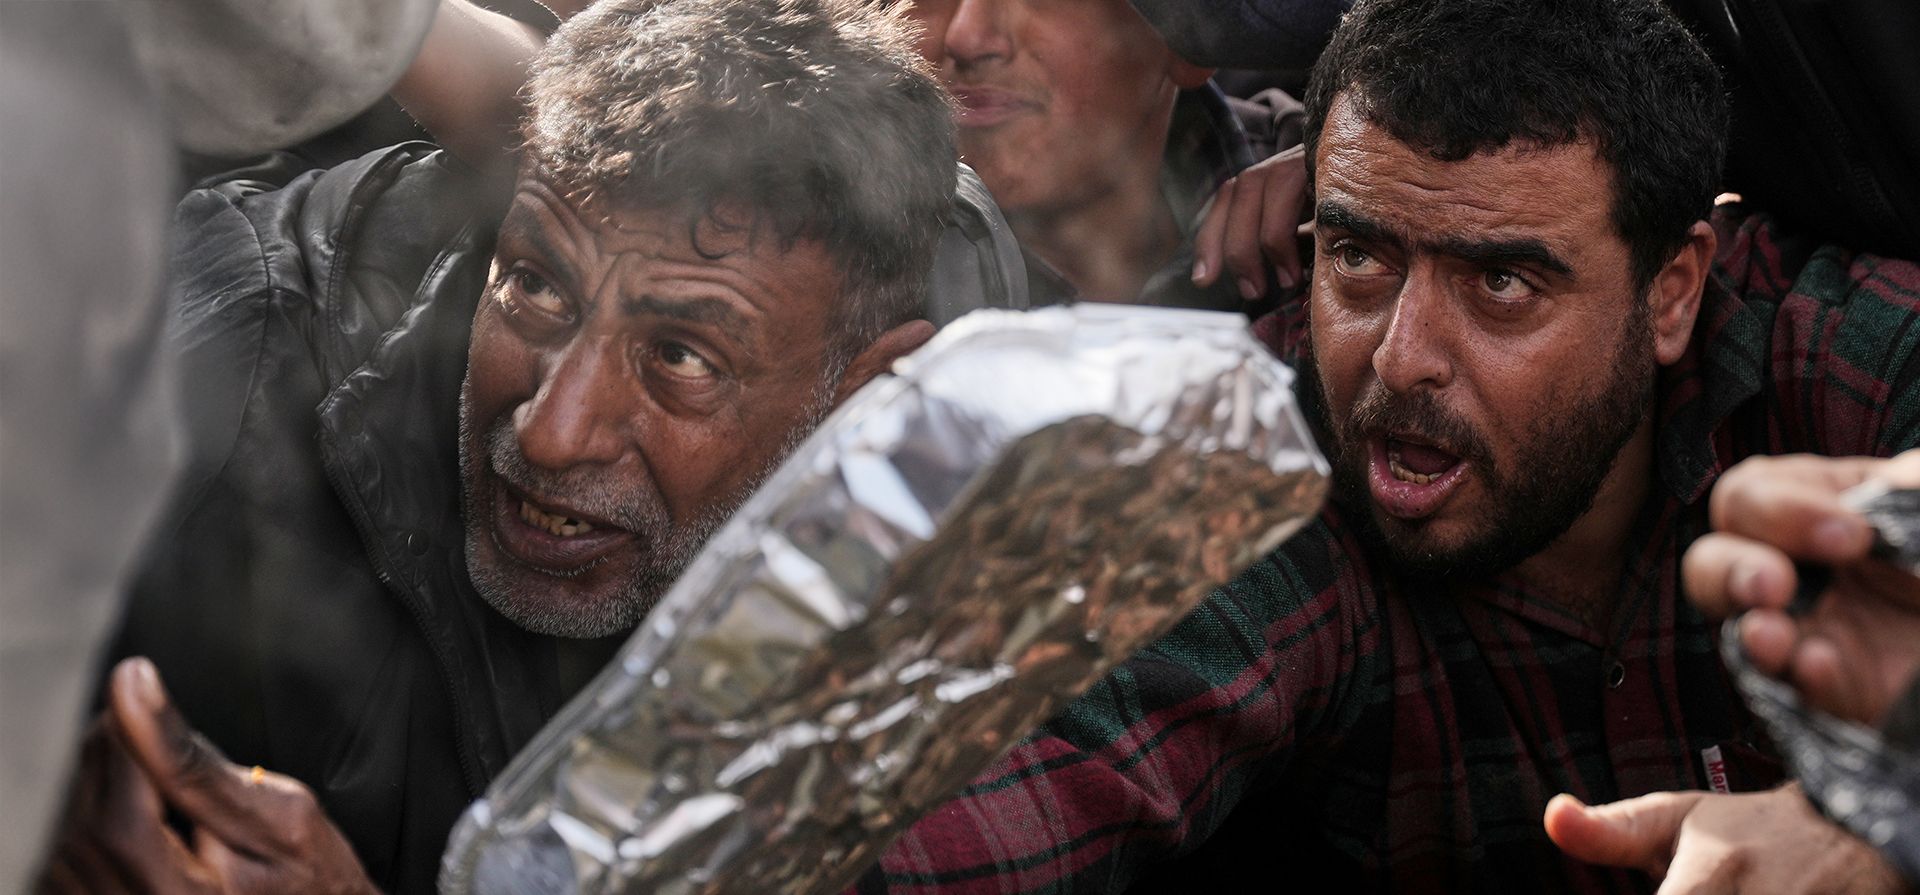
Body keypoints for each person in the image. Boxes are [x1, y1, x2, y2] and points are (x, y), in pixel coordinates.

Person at [858, 0, 1920, 891]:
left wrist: (1874, 818)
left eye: (1501, 283)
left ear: (1673, 290)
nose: (1402, 358)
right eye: (1360, 258)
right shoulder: (1259, 463)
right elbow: (1036, 769)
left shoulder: (1834, 362)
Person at [37, 1, 957, 891]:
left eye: (679, 356)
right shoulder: (201, 383)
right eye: (537, 287)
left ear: (861, 398)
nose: (552, 433)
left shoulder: (960, 541)